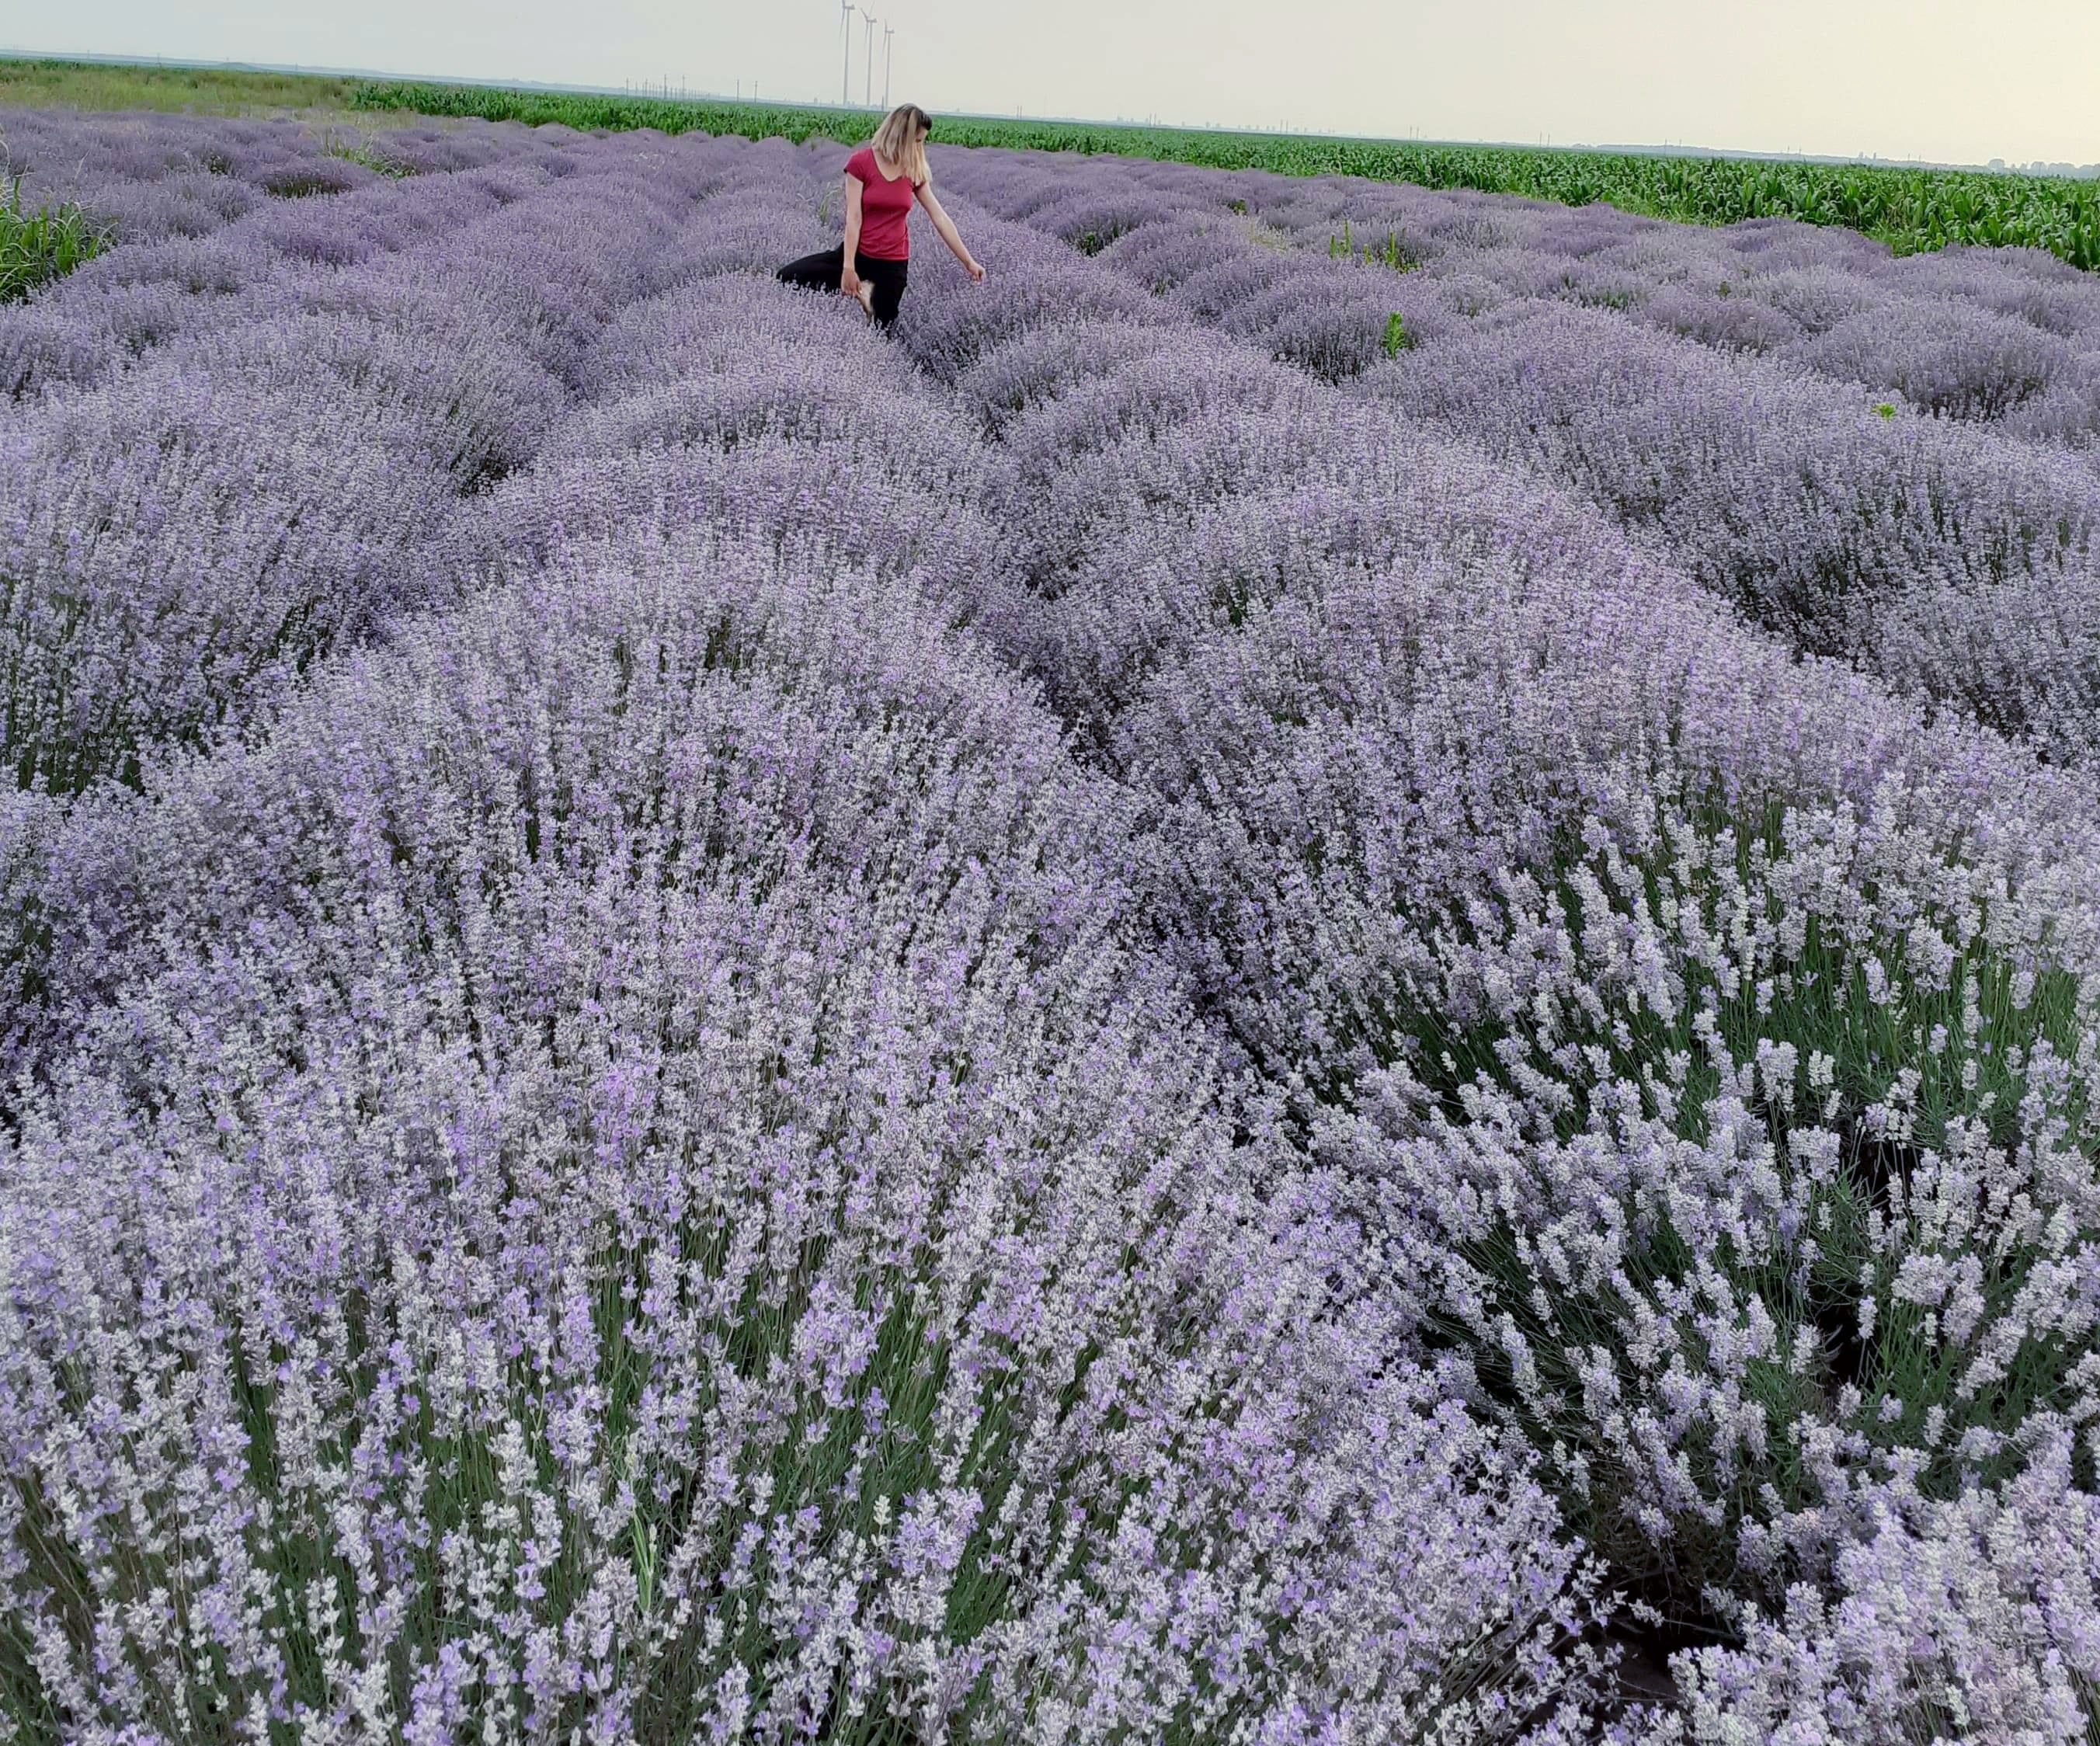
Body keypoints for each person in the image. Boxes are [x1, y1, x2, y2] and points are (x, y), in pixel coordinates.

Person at [777, 104, 984, 329]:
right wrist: (848, 267)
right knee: (789, 276)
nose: (919, 147)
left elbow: (940, 218)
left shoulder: (912, 170)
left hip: (892, 265)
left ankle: (867, 299)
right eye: (916, 141)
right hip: (859, 254)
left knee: (882, 328)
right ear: (901, 135)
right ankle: (859, 294)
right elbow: (854, 218)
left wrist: (968, 262)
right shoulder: (861, 163)